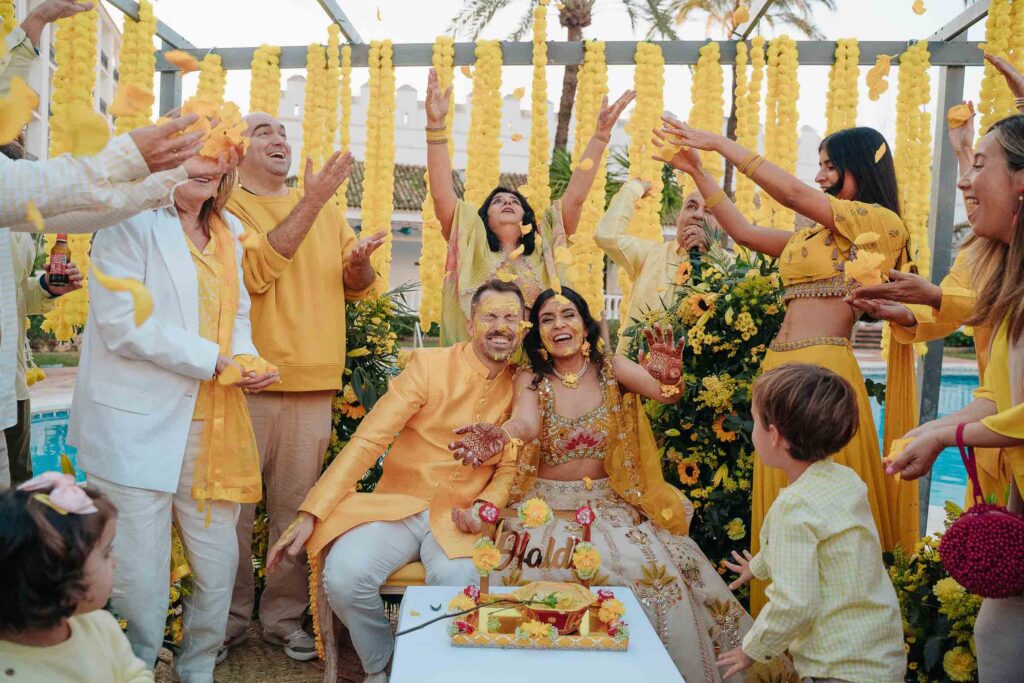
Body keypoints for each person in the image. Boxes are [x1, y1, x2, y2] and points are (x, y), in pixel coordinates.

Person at [450, 287, 793, 683]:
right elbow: (526, 424)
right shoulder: (531, 378)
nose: (559, 324)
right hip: (544, 510)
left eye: (568, 315)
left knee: (650, 571)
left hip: (609, 505)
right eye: (547, 318)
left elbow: (663, 393)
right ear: (537, 333)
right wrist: (501, 434)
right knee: (538, 579)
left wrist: (669, 379)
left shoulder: (612, 368)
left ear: (585, 324)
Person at [659, 119, 919, 612]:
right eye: (818, 166)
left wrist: (720, 142)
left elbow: (796, 195)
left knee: (823, 511)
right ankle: (780, 645)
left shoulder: (878, 224)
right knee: (785, 508)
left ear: (860, 167)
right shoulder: (813, 240)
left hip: (822, 374)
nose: (820, 176)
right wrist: (698, 171)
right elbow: (744, 231)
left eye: (830, 166)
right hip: (777, 372)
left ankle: (834, 632)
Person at [68, 151, 277, 682]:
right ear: (168, 163)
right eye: (193, 159)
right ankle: (132, 668)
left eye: (216, 162)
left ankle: (198, 664)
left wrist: (247, 359)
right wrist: (214, 361)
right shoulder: (127, 222)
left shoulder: (229, 229)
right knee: (138, 575)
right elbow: (122, 323)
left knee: (218, 562)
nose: (204, 171)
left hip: (215, 425)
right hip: (134, 425)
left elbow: (239, 317)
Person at [268, 280, 528, 683]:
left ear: (524, 325)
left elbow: (509, 467)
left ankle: (436, 671)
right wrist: (312, 509)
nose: (501, 326)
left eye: (512, 317)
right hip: (399, 506)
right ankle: (383, 664)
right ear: (471, 321)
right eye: (491, 316)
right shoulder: (429, 366)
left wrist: (484, 508)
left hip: (461, 516)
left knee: (458, 581)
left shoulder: (522, 386)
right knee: (345, 576)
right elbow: (370, 439)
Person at [223, 113, 384, 662]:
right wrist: (312, 200)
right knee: (233, 513)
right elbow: (256, 273)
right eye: (264, 131)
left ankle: (283, 621)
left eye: (284, 133)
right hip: (247, 383)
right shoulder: (226, 207)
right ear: (237, 148)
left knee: (296, 513)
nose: (279, 139)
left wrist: (359, 266)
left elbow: (358, 288)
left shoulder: (330, 210)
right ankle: (224, 624)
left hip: (313, 384)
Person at [886, 113, 1024, 681]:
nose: (965, 183)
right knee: (997, 632)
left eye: (979, 164)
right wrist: (932, 432)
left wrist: (949, 433)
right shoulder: (1012, 288)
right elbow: (995, 395)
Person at [717, 363, 905, 683]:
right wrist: (759, 567)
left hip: (837, 668)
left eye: (755, 421)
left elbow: (796, 605)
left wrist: (752, 649)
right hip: (879, 658)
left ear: (774, 435)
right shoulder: (845, 481)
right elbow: (816, 548)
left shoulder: (795, 506)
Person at [424, 67, 635, 344]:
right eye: (498, 201)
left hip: (538, 369)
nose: (508, 202)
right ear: (484, 218)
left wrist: (600, 137)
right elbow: (441, 194)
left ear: (527, 216)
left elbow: (575, 197)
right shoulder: (469, 239)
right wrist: (436, 126)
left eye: (515, 201)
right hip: (477, 368)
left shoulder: (546, 239)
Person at [0, 472, 152, 682]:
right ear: (61, 580)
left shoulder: (101, 626)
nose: (115, 560)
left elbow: (133, 673)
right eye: (106, 552)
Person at [0, 139, 83, 490]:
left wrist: (48, 286)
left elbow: (15, 294)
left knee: (20, 489)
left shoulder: (24, 208)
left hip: (12, 378)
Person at [595, 178, 726, 353]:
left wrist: (710, 253)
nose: (698, 215)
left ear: (723, 226)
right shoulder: (649, 254)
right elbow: (606, 236)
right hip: (636, 371)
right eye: (691, 207)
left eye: (709, 211)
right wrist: (634, 189)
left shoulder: (731, 268)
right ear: (679, 217)